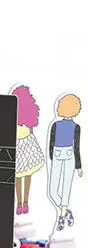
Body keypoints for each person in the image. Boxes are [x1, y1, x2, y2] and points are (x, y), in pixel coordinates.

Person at [48, 93, 82, 231]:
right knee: (52, 191)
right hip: (57, 154)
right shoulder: (55, 125)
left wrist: (78, 166)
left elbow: (76, 147)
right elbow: (51, 143)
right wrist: (52, 157)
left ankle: (61, 217)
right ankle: (67, 211)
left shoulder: (76, 127)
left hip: (69, 155)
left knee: (66, 186)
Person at [11, 86, 45, 215]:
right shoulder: (26, 117)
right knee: (23, 175)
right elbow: (31, 131)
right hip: (24, 145)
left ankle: (22, 203)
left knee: (21, 176)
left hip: (23, 145)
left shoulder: (19, 117)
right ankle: (23, 203)